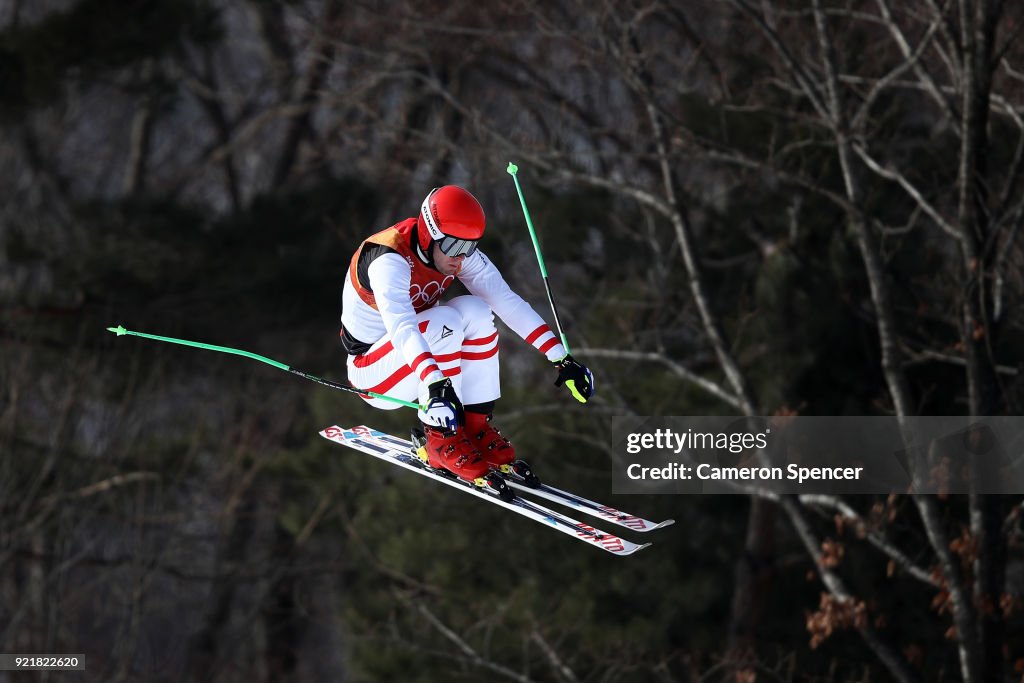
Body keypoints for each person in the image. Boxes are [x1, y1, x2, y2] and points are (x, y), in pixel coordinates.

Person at [340, 185, 595, 484]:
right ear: (428, 234)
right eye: (452, 247)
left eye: (470, 247)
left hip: (417, 366)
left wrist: (561, 357)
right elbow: (402, 327)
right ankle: (441, 438)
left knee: (476, 309)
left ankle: (473, 425)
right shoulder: (389, 259)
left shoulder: (453, 252)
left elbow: (505, 301)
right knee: (445, 320)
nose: (460, 258)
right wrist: (436, 383)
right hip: (372, 374)